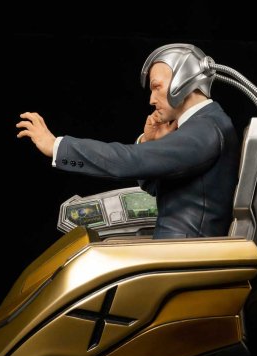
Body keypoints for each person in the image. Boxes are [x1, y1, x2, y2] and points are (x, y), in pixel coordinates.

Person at [16, 43, 240, 239]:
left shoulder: (205, 129)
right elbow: (157, 187)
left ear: (181, 82)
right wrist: (150, 143)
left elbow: (128, 160)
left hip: (182, 253)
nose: (151, 99)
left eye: (156, 87)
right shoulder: (207, 124)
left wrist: (57, 146)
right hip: (178, 246)